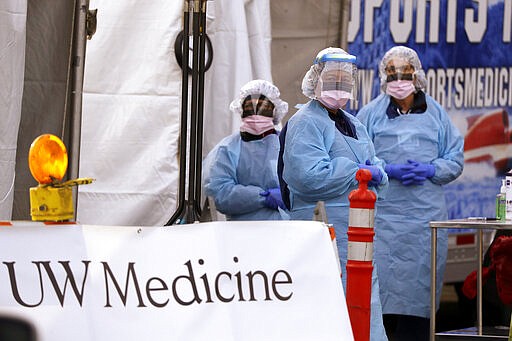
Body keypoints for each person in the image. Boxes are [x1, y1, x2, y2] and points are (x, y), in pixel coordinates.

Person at [279, 47, 389, 340]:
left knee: (364, 309)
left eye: (344, 78)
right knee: (326, 310)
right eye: (332, 78)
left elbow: (377, 168)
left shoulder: (354, 123)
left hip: (358, 232)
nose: (339, 85)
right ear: (315, 80)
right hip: (323, 232)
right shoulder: (305, 123)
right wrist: (356, 171)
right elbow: (308, 177)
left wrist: (376, 173)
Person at [356, 46, 464, 341]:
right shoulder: (370, 115)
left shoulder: (437, 115)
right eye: (392, 73)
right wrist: (385, 169)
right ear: (383, 77)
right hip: (384, 224)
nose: (399, 79)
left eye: (405, 73)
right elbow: (356, 160)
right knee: (382, 299)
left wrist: (431, 170)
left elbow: (455, 159)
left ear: (417, 76)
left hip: (423, 225)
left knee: (419, 301)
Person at [203, 79, 289, 220]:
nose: (256, 113)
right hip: (243, 233)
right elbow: (220, 193)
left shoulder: (288, 145)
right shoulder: (227, 149)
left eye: (263, 107)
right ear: (241, 111)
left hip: (292, 231)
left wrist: (291, 194)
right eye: (249, 107)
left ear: (275, 112)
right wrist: (262, 197)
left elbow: (307, 181)